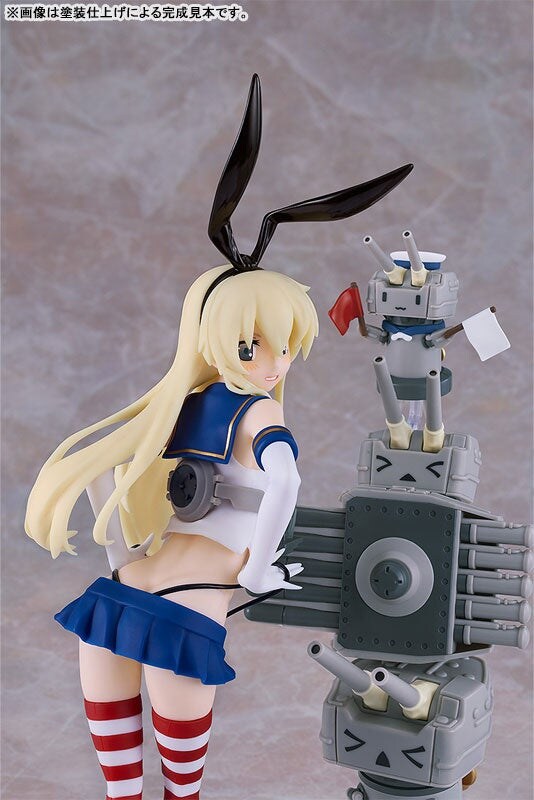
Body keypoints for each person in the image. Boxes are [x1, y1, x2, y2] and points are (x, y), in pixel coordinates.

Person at [24, 74, 412, 799]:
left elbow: (116, 467)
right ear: (213, 336)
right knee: (176, 785)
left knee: (127, 783)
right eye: (253, 346)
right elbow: (283, 480)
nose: (275, 364)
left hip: (131, 586)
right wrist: (258, 570)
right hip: (183, 600)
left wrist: (124, 547)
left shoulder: (194, 403)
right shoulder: (244, 411)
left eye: (285, 347)